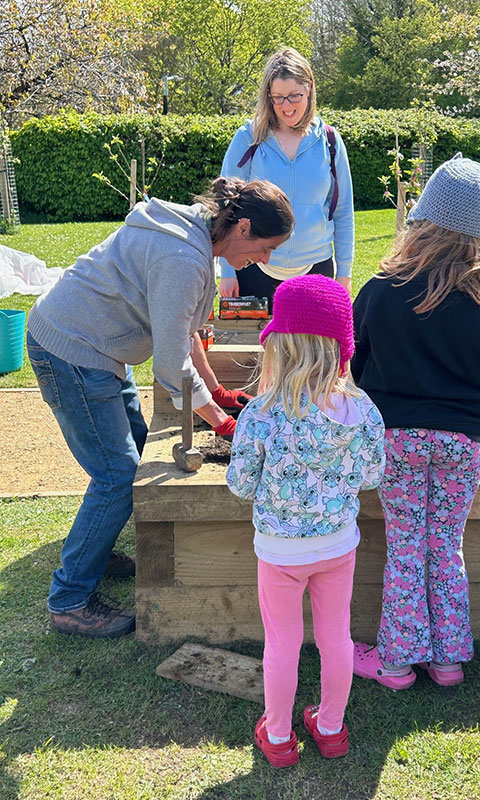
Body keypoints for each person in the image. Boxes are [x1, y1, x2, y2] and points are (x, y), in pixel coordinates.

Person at [26, 177, 294, 638]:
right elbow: (170, 367)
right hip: (72, 349)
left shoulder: (196, 237)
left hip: (100, 347)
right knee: (117, 476)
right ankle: (68, 600)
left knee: (130, 455)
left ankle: (94, 548)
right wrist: (222, 423)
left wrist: (217, 391)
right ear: (243, 227)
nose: (265, 260)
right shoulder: (182, 259)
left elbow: (184, 332)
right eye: (266, 247)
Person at [351, 153, 480, 689]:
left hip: (397, 437)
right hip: (462, 441)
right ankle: (447, 661)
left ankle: (397, 663)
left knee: (405, 546)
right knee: (445, 545)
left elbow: (356, 361)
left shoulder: (380, 290)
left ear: (422, 218)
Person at [226, 274, 385, 767]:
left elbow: (240, 484)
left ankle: (278, 736)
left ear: (278, 344)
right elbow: (371, 476)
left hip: (279, 552)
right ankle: (331, 729)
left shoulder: (261, 413)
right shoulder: (363, 410)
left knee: (282, 644)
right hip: (337, 545)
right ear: (342, 347)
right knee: (337, 638)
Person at [219, 47, 354, 310]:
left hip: (316, 270)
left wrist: (344, 272)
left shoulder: (329, 141)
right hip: (255, 268)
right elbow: (225, 206)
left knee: (312, 340)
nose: (286, 106)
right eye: (278, 98)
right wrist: (227, 270)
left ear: (309, 88)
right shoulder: (248, 138)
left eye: (294, 96)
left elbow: (343, 211)